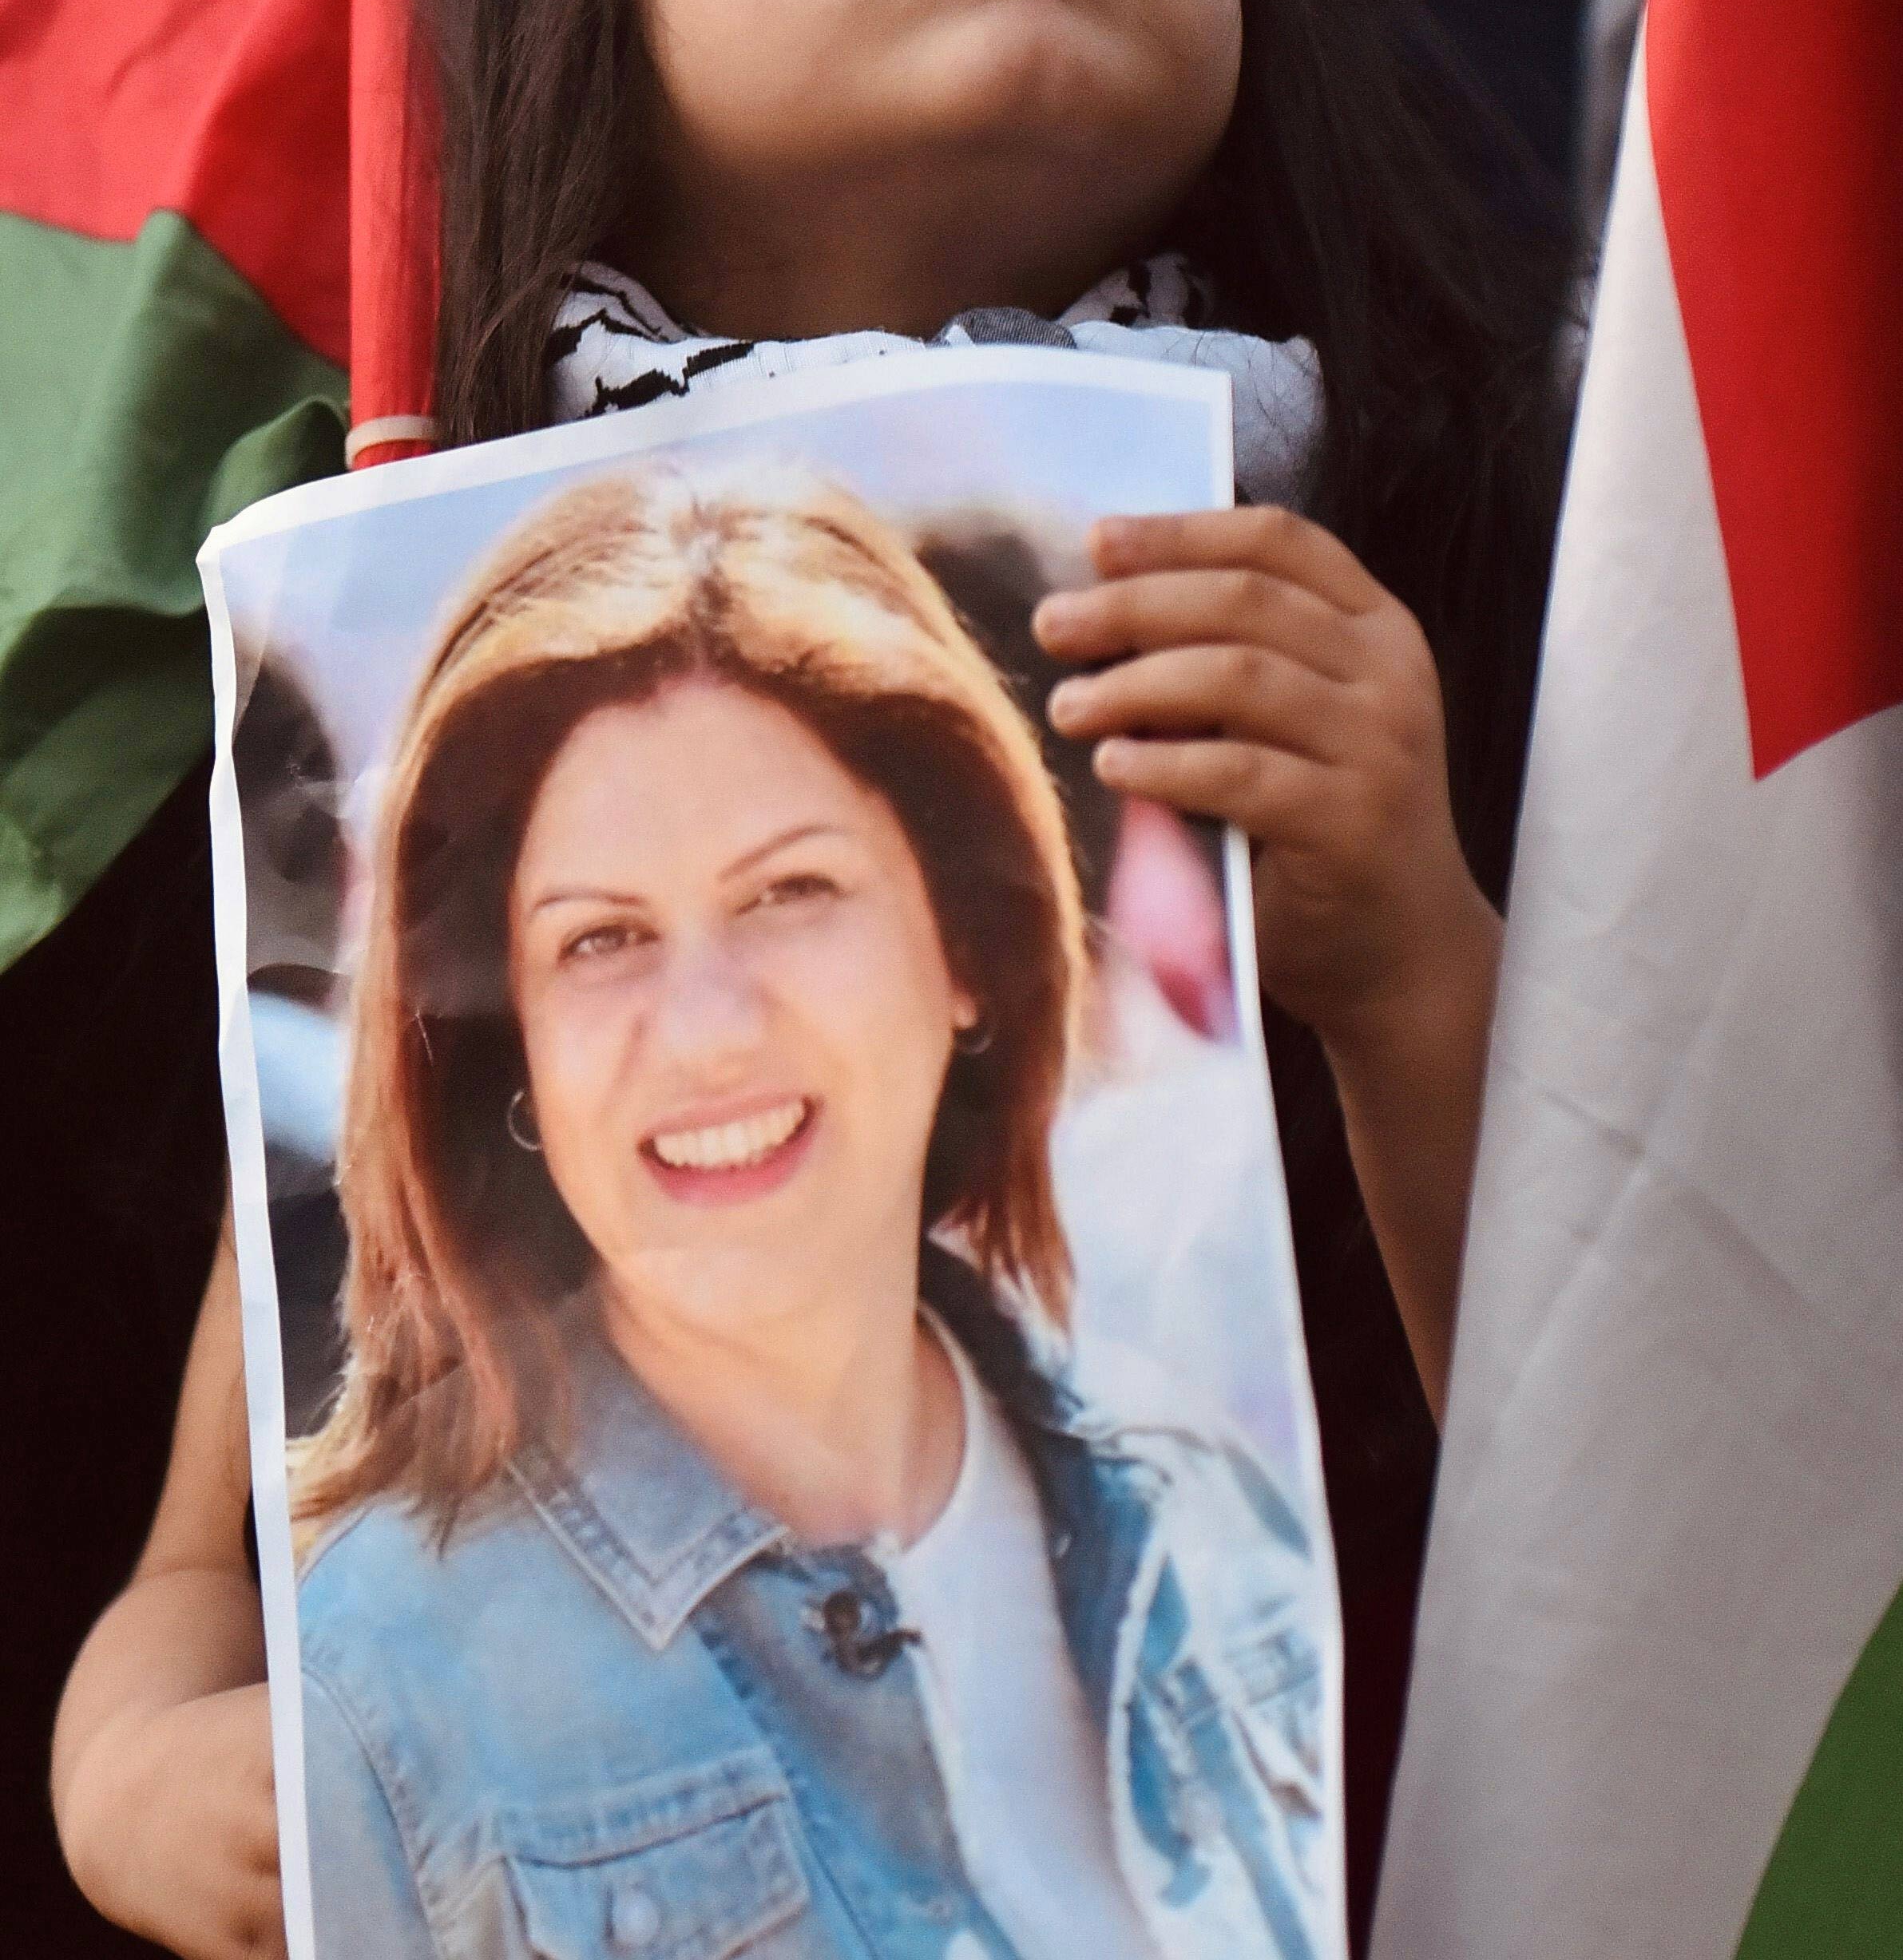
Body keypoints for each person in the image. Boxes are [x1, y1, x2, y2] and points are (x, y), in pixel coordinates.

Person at [54, 0, 1566, 1955]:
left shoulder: (1454, 556)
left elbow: (1653, 1475)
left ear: (979, 943)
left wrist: (1410, 951)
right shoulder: (429, 626)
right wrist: (147, 1777)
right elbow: (201, 1582)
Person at [283, 464, 1328, 1956]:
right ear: (509, 1042)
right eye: (601, 940)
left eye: (788, 894)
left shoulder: (1227, 1529)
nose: (706, 1028)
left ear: (965, 945)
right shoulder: (378, 1693)